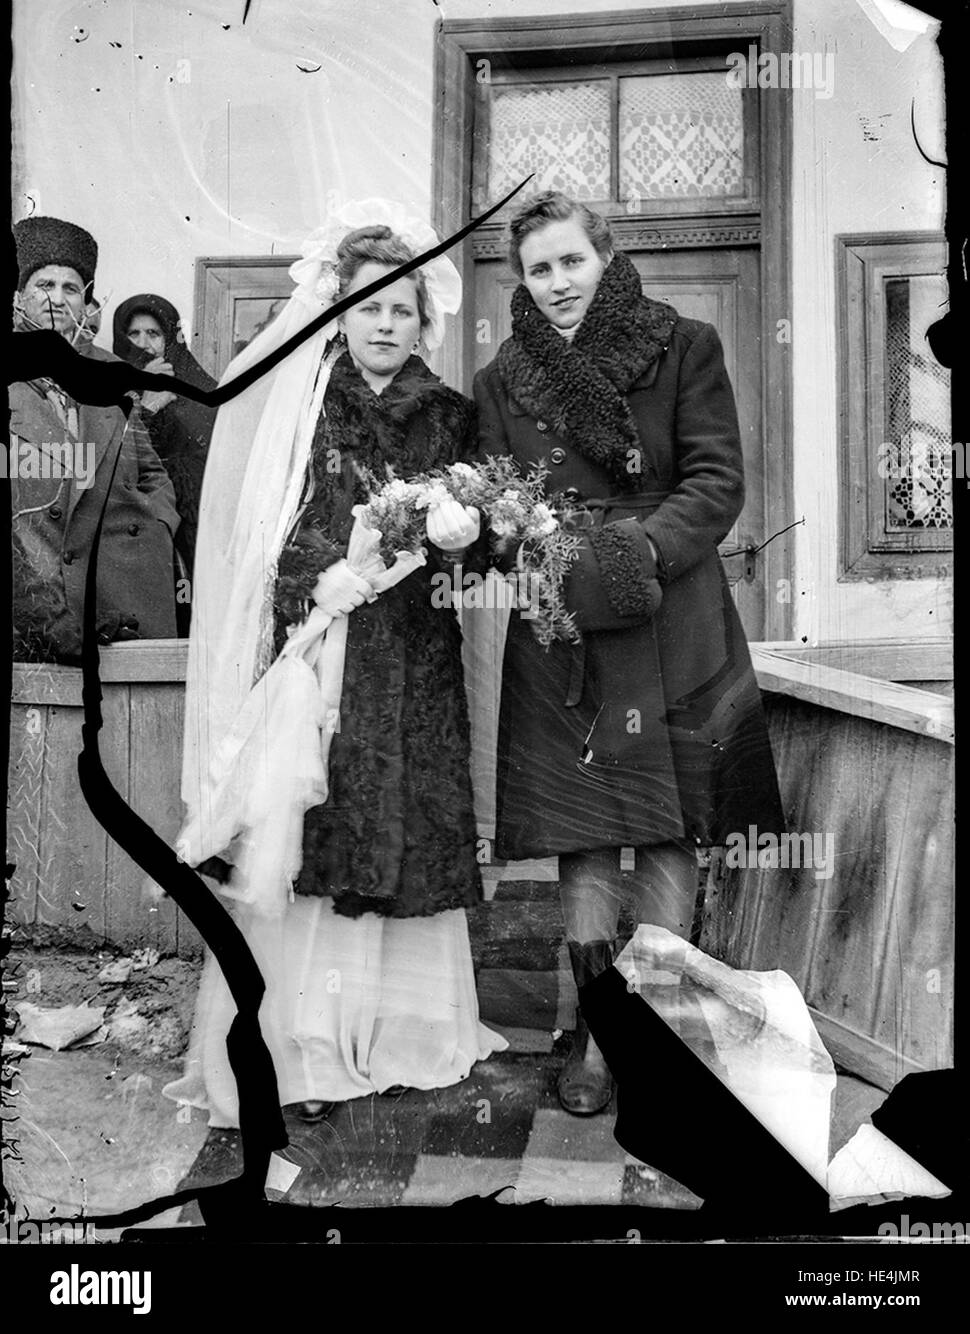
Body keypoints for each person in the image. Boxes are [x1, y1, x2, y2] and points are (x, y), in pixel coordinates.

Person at [165, 203, 504, 1129]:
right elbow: (265, 529)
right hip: (327, 650)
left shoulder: (451, 415)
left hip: (419, 660)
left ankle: (404, 1035)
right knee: (323, 831)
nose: (385, 325)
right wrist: (332, 577)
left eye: (401, 309)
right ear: (339, 314)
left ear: (423, 320)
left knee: (413, 820)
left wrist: (461, 533)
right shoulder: (303, 403)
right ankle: (301, 1047)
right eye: (367, 309)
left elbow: (466, 544)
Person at [473, 190, 785, 1116]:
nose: (558, 282)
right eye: (539, 269)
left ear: (602, 258)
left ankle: (644, 1031)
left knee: (666, 824)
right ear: (521, 281)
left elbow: (717, 481)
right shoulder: (502, 380)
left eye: (571, 261)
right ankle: (593, 1030)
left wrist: (638, 549)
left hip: (669, 609)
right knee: (581, 834)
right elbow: (496, 512)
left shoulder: (681, 344)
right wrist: (526, 548)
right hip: (563, 624)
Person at [10, 215, 180, 662]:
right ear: (18, 297)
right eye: (44, 285)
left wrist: (158, 525)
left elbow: (150, 470)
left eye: (71, 289)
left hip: (123, 581)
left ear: (86, 304)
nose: (57, 300)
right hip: (42, 591)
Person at [112, 294, 218, 587]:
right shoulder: (105, 395)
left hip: (205, 534)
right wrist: (147, 406)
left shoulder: (201, 388)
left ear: (169, 339)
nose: (144, 344)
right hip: (146, 533)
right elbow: (114, 463)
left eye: (153, 333)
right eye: (133, 334)